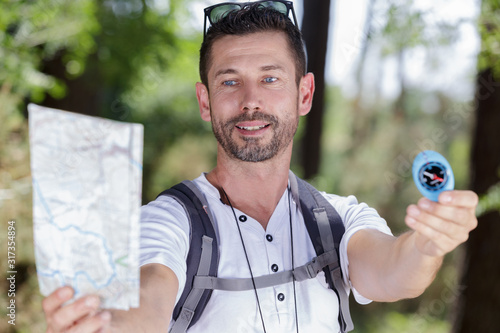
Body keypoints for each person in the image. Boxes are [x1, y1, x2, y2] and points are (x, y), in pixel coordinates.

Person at [42, 1, 478, 332]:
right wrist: (104, 322)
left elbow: (392, 273)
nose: (250, 100)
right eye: (229, 81)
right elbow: (148, 294)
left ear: (303, 95)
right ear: (204, 101)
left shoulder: (335, 217)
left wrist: (427, 244)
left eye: (270, 78)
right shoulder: (168, 221)